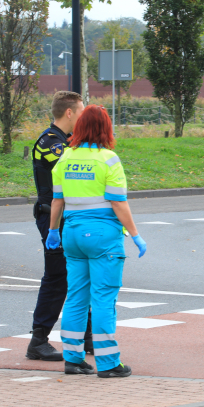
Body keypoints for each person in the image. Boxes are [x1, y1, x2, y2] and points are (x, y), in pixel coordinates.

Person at [47, 105, 148, 378]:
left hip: (72, 235)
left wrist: (52, 231)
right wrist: (135, 235)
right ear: (106, 128)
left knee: (76, 297)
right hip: (103, 237)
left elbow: (57, 200)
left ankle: (73, 359)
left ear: (79, 127)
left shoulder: (65, 157)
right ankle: (109, 363)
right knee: (103, 299)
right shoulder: (109, 159)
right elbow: (118, 202)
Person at [27, 91, 89, 362]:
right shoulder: (50, 143)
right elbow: (72, 173)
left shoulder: (68, 142)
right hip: (53, 219)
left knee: (82, 274)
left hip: (71, 218)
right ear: (70, 113)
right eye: (82, 110)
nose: (84, 115)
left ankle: (88, 337)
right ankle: (38, 340)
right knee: (57, 278)